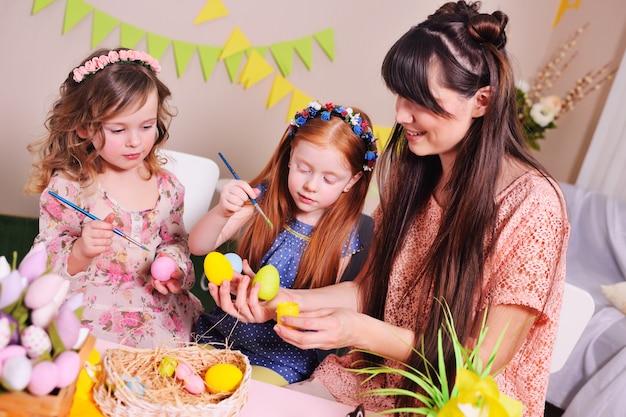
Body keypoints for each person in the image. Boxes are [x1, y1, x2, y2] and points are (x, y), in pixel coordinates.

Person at [207, 2, 569, 416]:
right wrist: (280, 301)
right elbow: (366, 292)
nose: (400, 114)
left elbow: (482, 361)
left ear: (482, 100)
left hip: (454, 404)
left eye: (420, 100)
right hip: (368, 382)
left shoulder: (533, 205)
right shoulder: (415, 177)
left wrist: (360, 331)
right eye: (400, 95)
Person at [188, 100, 378, 385]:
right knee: (189, 384)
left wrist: (273, 307)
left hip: (281, 355)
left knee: (250, 399)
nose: (311, 185)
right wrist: (222, 212)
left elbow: (321, 306)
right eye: (303, 168)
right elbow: (199, 246)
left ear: (351, 181)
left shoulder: (343, 235)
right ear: (289, 158)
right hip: (221, 332)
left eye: (329, 178)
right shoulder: (262, 198)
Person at [25, 48, 203, 348]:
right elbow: (44, 259)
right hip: (91, 308)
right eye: (118, 129)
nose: (135, 141)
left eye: (146, 126)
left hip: (155, 310)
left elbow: (176, 242)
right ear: (84, 127)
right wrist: (80, 250)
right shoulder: (69, 188)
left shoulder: (168, 187)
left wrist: (171, 265)